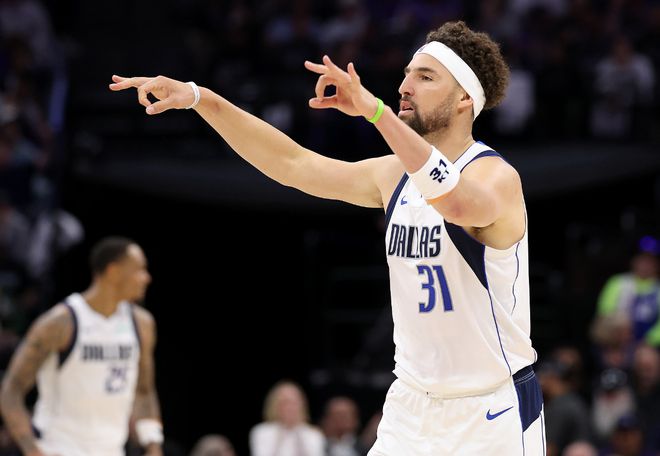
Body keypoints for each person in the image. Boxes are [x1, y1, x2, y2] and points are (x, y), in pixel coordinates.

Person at [110, 20, 543, 455]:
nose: (405, 86)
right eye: (407, 74)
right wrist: (202, 98)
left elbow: (456, 203)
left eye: (426, 77)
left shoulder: (496, 176)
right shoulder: (394, 175)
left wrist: (377, 113)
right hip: (412, 405)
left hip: (490, 409)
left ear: (465, 98)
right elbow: (293, 164)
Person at [0, 236, 163, 456]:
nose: (146, 278)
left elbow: (144, 391)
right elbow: (11, 390)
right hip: (59, 446)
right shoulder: (60, 322)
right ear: (113, 271)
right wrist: (32, 449)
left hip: (111, 450)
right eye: (139, 270)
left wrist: (153, 443)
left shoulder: (142, 324)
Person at [249, 380, 325, 456]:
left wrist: (297, 432)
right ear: (274, 405)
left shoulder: (313, 434)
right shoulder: (262, 432)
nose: (290, 408)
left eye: (295, 403)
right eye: (285, 402)